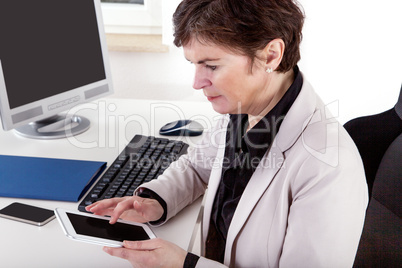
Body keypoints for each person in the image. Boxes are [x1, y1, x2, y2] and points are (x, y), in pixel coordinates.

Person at [87, 0, 368, 267]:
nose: (197, 83)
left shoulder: (328, 166)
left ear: (271, 54)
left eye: (211, 65)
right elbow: (198, 165)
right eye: (193, 64)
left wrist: (185, 265)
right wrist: (156, 200)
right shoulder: (245, 108)